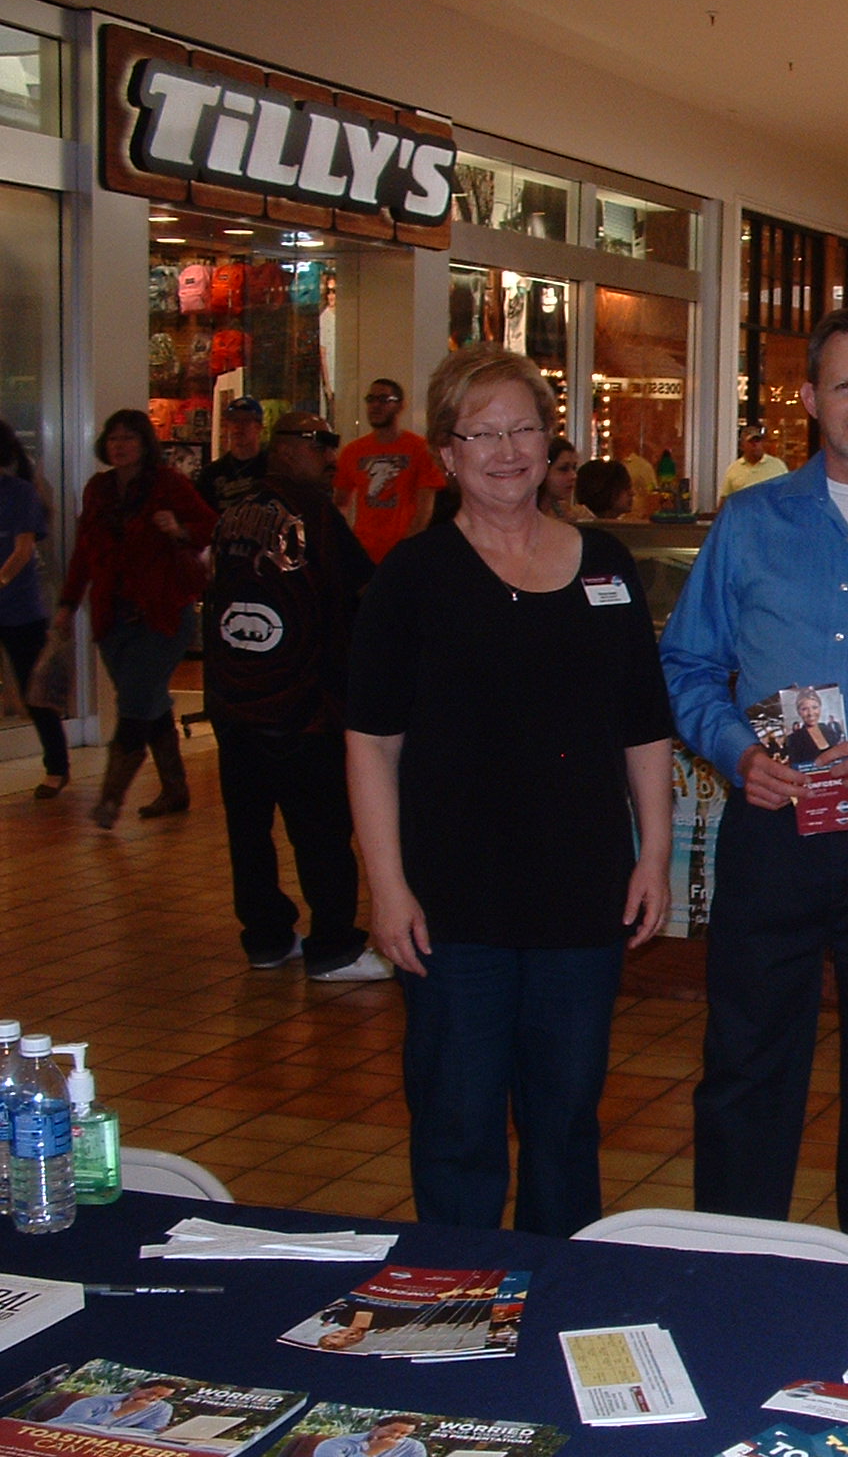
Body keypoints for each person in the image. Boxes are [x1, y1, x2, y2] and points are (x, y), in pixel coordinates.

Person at [346, 345, 673, 1237]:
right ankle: (456, 1299)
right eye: (480, 432)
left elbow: (643, 726)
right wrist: (388, 886)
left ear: (549, 440)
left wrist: (654, 855)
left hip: (581, 894)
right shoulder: (413, 578)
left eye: (523, 427)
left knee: (567, 1120)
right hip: (455, 901)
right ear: (445, 455)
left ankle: (555, 1299)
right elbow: (371, 744)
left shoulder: (604, 563)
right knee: (457, 1123)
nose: (505, 448)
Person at [664, 304, 848, 1265]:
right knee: (749, 1056)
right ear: (809, 399)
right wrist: (732, 752)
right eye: (845, 385)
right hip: (772, 823)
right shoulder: (751, 524)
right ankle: (736, 1253)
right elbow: (688, 665)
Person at [206, 411, 386, 981]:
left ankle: (265, 937)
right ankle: (333, 945)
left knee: (249, 831)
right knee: (322, 830)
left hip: (236, 704)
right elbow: (366, 592)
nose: (332, 458)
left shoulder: (233, 512)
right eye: (319, 445)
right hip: (302, 706)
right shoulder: (314, 515)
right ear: (284, 448)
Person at [55, 409, 216, 828]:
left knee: (135, 703)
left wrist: (178, 528)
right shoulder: (98, 489)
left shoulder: (168, 484)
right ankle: (175, 788)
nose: (120, 445)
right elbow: (85, 551)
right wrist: (68, 602)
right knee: (147, 699)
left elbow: (210, 525)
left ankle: (110, 799)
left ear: (145, 443)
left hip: (163, 612)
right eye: (113, 438)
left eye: (128, 437)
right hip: (113, 617)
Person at [0, 420, 68, 798]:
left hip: (19, 608)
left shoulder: (20, 493)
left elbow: (23, 550)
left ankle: (56, 767)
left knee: (34, 690)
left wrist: (1, 582)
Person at [334, 378, 445, 562]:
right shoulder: (352, 452)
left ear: (400, 405)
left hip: (404, 551)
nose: (376, 405)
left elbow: (424, 509)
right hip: (363, 552)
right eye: (371, 399)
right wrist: (344, 544)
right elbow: (341, 503)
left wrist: (406, 550)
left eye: (384, 399)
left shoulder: (420, 449)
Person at [195, 395, 268, 512]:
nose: (238, 426)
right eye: (234, 420)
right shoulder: (211, 473)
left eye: (246, 420)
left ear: (258, 427)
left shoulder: (271, 467)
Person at [57, 1382, 179, 1432]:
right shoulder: (93, 1402)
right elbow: (67, 1428)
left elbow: (148, 1432)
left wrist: (160, 1431)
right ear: (137, 1389)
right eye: (151, 1393)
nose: (153, 1399)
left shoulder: (162, 1408)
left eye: (161, 1397)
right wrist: (121, 1412)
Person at [719, 423, 787, 503]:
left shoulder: (778, 466)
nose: (755, 445)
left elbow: (787, 495)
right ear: (742, 446)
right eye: (751, 442)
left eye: (758, 441)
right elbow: (725, 499)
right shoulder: (733, 469)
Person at [781, 687, 845, 766]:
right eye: (804, 709)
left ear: (820, 708)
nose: (810, 713)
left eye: (815, 707)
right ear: (798, 712)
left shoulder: (827, 729)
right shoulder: (793, 739)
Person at [311, 1415, 426, 1457]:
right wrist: (372, 1451)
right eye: (392, 1430)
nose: (396, 1436)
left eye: (403, 1434)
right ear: (375, 1428)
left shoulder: (414, 1447)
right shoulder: (334, 1445)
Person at [538, 436, 593, 522]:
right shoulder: (520, 517)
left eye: (574, 468)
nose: (573, 476)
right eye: (563, 469)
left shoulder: (567, 512)